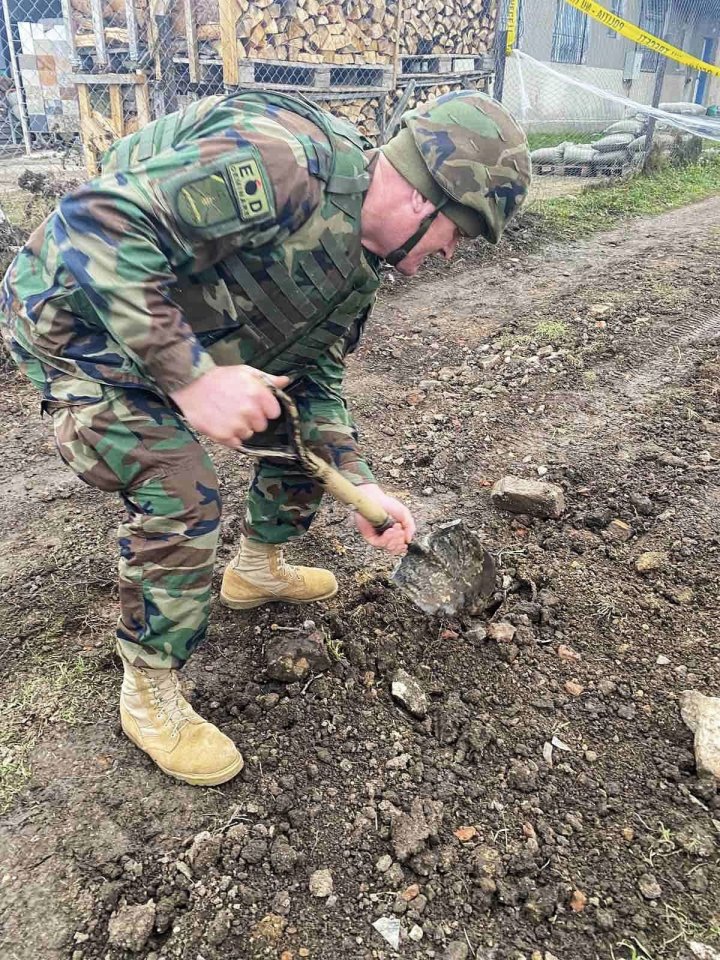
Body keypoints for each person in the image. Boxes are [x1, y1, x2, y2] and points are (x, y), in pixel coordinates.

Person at [1, 88, 531, 786]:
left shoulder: (355, 271)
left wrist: (359, 483)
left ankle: (257, 566)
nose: (452, 252)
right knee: (180, 487)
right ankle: (148, 689)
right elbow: (93, 224)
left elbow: (314, 381)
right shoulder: (282, 163)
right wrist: (191, 378)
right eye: (458, 232)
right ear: (424, 200)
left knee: (293, 424)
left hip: (171, 324)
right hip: (76, 320)